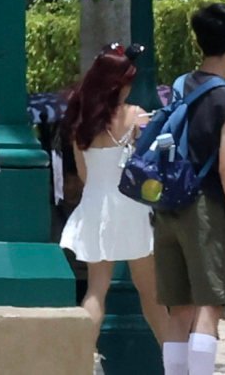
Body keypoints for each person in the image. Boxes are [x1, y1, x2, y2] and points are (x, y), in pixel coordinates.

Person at [145, 5, 225, 375]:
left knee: (179, 311)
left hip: (167, 204)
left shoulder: (179, 85)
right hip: (204, 208)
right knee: (209, 306)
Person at [46, 43, 162, 352]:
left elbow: (84, 175)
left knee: (96, 291)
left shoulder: (83, 121)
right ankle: (177, 364)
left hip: (95, 205)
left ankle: (79, 361)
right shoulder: (136, 116)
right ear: (119, 83)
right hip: (132, 207)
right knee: (150, 294)